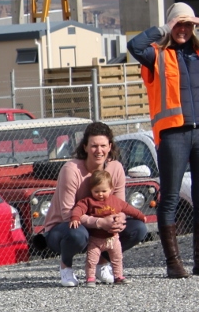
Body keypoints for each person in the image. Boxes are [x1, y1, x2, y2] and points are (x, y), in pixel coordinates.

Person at [127, 1, 199, 278]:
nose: (183, 29)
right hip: (172, 134)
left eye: (188, 25)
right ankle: (174, 264)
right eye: (178, 24)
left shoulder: (197, 52)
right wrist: (164, 29)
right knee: (169, 197)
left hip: (198, 132)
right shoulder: (156, 55)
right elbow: (134, 46)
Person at [41, 121, 148, 287]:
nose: (99, 151)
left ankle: (101, 263)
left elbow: (120, 205)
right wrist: (100, 223)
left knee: (138, 229)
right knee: (77, 234)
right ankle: (66, 267)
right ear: (85, 147)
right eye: (94, 146)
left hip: (99, 227)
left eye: (103, 145)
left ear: (110, 146)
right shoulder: (71, 170)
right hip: (64, 228)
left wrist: (117, 221)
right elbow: (67, 214)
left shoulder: (116, 168)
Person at [69, 170, 146, 287]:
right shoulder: (88, 201)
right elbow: (78, 208)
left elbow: (128, 208)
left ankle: (118, 276)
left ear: (111, 189)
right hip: (96, 239)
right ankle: (90, 278)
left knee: (117, 258)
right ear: (91, 190)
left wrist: (140, 215)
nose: (100, 194)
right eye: (96, 191)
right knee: (92, 260)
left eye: (104, 191)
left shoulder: (115, 201)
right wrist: (75, 217)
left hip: (113, 238)